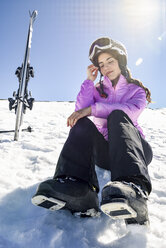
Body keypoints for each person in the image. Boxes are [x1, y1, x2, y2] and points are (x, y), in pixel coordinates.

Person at [31, 37, 153, 225]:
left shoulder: (136, 90)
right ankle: (77, 187)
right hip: (106, 154)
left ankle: (133, 189)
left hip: (134, 151)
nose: (106, 67)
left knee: (118, 116)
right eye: (101, 64)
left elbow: (129, 112)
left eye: (110, 61)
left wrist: (92, 110)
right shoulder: (97, 89)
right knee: (81, 122)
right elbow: (81, 107)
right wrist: (89, 81)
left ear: (120, 61)